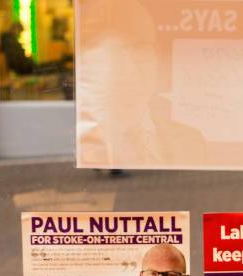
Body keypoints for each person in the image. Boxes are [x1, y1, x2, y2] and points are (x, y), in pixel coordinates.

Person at [76, 0, 206, 168]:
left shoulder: (191, 142)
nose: (129, 71)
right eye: (113, 55)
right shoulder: (78, 143)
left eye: (140, 50)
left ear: (156, 56)